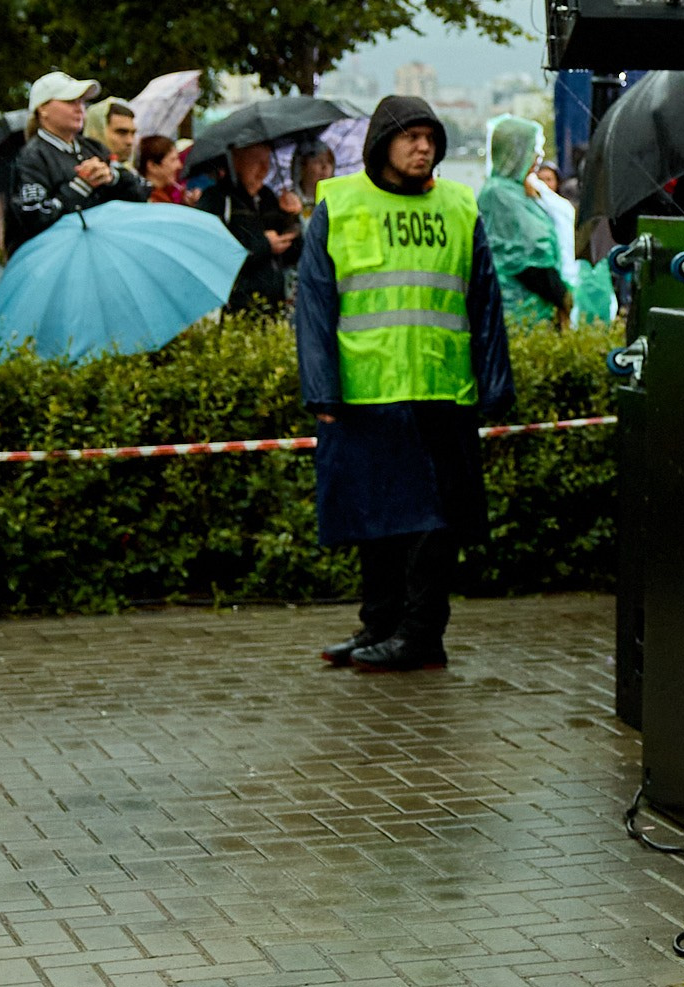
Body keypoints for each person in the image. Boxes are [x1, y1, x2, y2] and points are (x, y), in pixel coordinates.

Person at [293, 94, 515, 672]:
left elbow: (486, 303)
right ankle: (380, 627)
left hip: (442, 390)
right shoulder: (338, 204)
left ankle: (421, 638)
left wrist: (495, 386)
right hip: (366, 393)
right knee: (376, 522)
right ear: (380, 144)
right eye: (410, 136)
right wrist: (321, 389)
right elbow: (315, 304)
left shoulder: (460, 205)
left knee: (433, 524)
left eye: (431, 138)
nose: (423, 147)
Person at [6, 72, 147, 252]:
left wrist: (112, 177)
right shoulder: (31, 158)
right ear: (43, 109)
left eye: (81, 101)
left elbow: (142, 190)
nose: (79, 108)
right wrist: (81, 185)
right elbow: (34, 218)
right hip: (56, 259)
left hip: (101, 252)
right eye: (70, 101)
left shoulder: (93, 148)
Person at [477, 114, 570, 328]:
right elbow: (529, 256)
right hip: (519, 314)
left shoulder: (519, 192)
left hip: (536, 311)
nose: (539, 155)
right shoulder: (499, 195)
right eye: (532, 148)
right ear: (514, 152)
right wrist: (562, 296)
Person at [201, 143, 303, 313]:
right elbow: (214, 251)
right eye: (256, 161)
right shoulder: (218, 199)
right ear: (237, 161)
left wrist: (291, 217)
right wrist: (264, 244)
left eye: (267, 161)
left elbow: (294, 253)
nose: (264, 169)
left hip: (273, 305)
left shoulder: (268, 197)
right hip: (237, 306)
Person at [137, 135, 191, 205]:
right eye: (173, 160)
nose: (179, 166)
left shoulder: (162, 195)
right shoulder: (151, 200)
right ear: (152, 166)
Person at [85, 98, 137, 168]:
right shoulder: (79, 171)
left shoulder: (131, 172)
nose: (130, 141)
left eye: (133, 133)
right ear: (98, 132)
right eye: (121, 132)